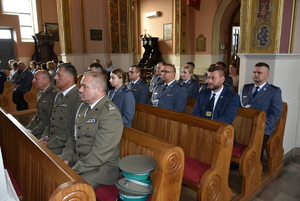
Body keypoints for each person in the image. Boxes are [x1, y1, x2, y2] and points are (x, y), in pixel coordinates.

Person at [60, 71, 123, 188]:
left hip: (100, 170)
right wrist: (66, 158)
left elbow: (100, 155)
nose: (80, 90)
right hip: (81, 161)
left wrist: (74, 170)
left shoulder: (110, 114)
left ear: (98, 90)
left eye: (85, 87)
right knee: (49, 167)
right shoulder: (84, 107)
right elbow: (74, 137)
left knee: (67, 188)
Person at [40, 63, 82, 155]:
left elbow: (73, 131)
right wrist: (45, 136)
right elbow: (51, 120)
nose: (55, 78)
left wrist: (50, 144)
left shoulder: (77, 98)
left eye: (59, 75)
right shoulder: (59, 95)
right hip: (51, 141)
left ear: (70, 78)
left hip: (63, 147)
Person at [240, 62, 282, 144]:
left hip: (263, 128)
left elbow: (275, 113)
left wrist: (260, 125)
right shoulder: (245, 88)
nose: (256, 74)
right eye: (254, 72)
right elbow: (240, 107)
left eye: (259, 73)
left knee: (256, 151)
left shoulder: (273, 91)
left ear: (267, 75)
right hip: (244, 126)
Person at [26, 70, 59, 139]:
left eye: (36, 79)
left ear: (46, 80)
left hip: (46, 133)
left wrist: (33, 133)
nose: (33, 81)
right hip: (40, 129)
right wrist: (28, 129)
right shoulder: (40, 93)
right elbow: (38, 116)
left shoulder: (55, 94)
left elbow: (48, 120)